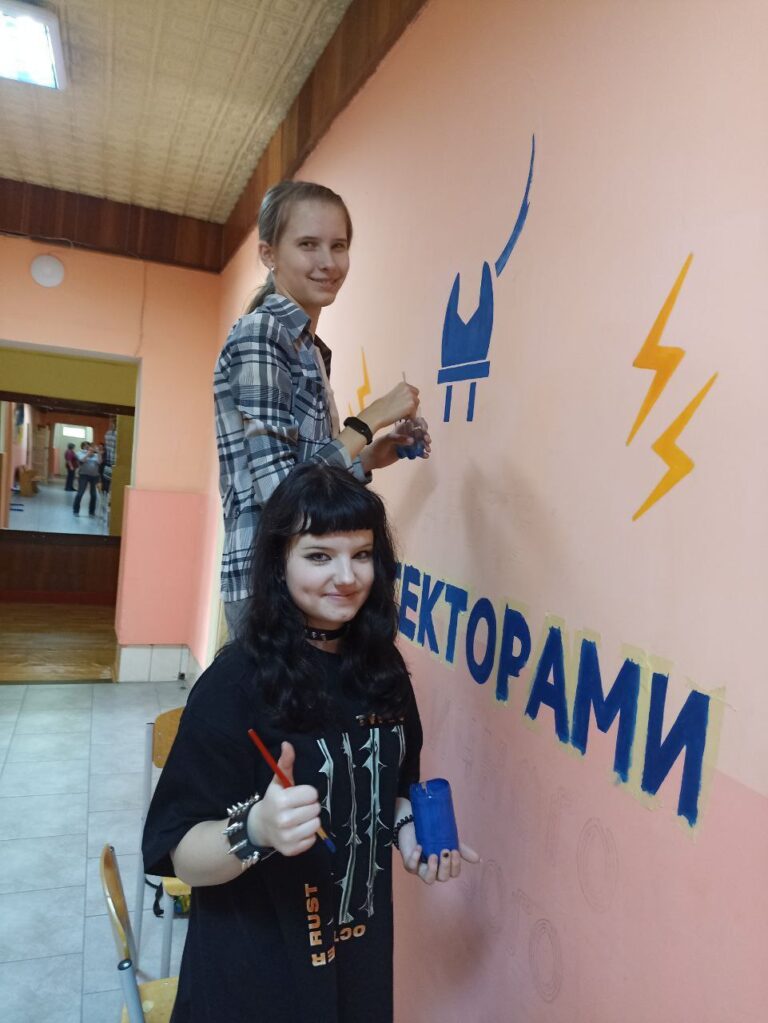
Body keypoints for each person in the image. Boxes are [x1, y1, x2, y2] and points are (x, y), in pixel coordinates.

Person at [142, 464, 478, 1023]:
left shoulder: (383, 670)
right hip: (255, 977)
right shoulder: (235, 684)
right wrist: (256, 830)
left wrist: (407, 829)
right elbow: (182, 856)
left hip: (359, 960)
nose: (346, 577)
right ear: (280, 562)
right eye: (319, 556)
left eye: (362, 555)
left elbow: (394, 788)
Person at [214, 179, 431, 637]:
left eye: (339, 245)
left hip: (307, 580)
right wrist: (369, 419)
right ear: (269, 254)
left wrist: (368, 457)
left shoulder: (306, 346)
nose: (328, 262)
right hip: (272, 584)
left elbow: (302, 470)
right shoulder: (262, 333)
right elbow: (282, 493)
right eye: (308, 245)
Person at [73, 442, 100, 516]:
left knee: (93, 494)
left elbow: (99, 462)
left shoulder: (96, 455)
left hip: (94, 476)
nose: (88, 448)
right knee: (80, 493)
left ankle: (91, 511)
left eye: (89, 447)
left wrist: (98, 452)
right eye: (86, 447)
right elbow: (82, 460)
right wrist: (88, 454)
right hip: (83, 475)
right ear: (83, 447)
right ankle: (76, 511)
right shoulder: (79, 453)